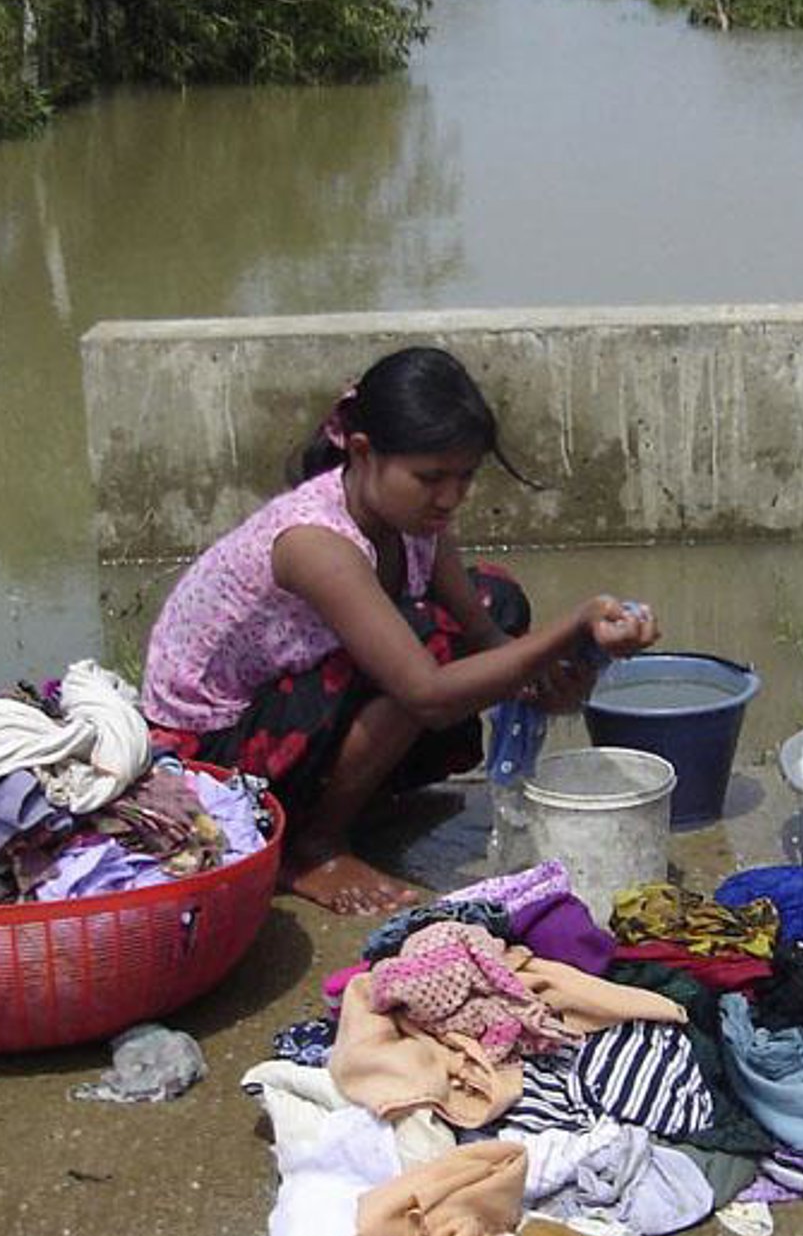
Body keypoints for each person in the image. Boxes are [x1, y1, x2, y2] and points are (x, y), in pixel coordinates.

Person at [142, 347, 660, 916]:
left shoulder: (414, 520)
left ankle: (353, 797)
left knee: (498, 598)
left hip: (296, 701)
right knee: (427, 649)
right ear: (363, 452)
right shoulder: (314, 542)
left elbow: (488, 636)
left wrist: (560, 673)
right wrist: (573, 623)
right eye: (431, 478)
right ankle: (312, 847)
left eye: (464, 477)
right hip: (213, 754)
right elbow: (428, 695)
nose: (450, 497)